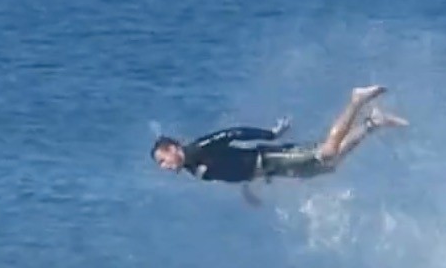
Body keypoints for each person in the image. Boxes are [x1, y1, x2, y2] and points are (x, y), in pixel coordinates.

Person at [151, 85, 406, 203]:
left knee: (328, 151)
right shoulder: (192, 169)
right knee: (330, 165)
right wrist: (250, 186)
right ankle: (372, 122)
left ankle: (357, 100)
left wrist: (270, 134)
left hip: (269, 159)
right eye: (161, 164)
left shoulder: (198, 148)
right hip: (269, 170)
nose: (164, 166)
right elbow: (230, 168)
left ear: (174, 148)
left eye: (163, 160)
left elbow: (233, 133)